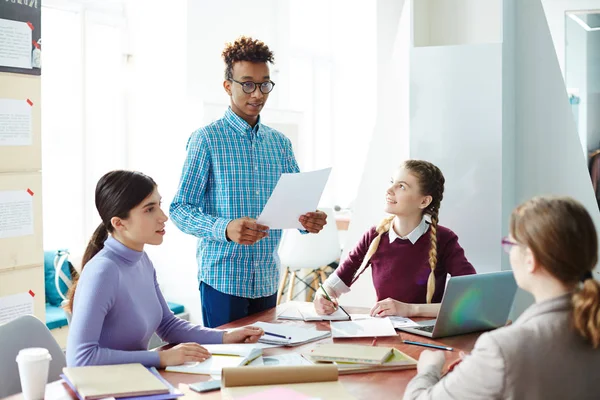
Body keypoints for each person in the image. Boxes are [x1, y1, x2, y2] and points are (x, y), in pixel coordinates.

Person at [170, 36, 327, 328]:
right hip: (223, 279)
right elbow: (179, 209)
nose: (257, 94)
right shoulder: (206, 140)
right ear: (228, 85)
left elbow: (296, 204)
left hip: (267, 278)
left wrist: (309, 220)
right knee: (230, 366)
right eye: (247, 84)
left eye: (264, 84)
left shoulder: (280, 144)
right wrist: (225, 228)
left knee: (266, 362)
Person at [404, 196, 600, 400]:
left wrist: (429, 370)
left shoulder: (504, 349)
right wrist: (484, 366)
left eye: (510, 244)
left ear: (530, 260)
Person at [66, 170, 264, 367]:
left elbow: (168, 325)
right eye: (149, 209)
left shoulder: (141, 260)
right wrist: (161, 358)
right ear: (119, 223)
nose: (163, 217)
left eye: (159, 205)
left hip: (137, 380)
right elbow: (80, 359)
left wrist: (226, 336)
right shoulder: (103, 271)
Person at [315, 160, 475, 318]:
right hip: (384, 332)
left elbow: (472, 299)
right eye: (392, 182)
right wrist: (322, 297)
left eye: (402, 186)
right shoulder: (374, 236)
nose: (390, 190)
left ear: (424, 201)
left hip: (426, 336)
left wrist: (411, 310)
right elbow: (331, 287)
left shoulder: (444, 239)